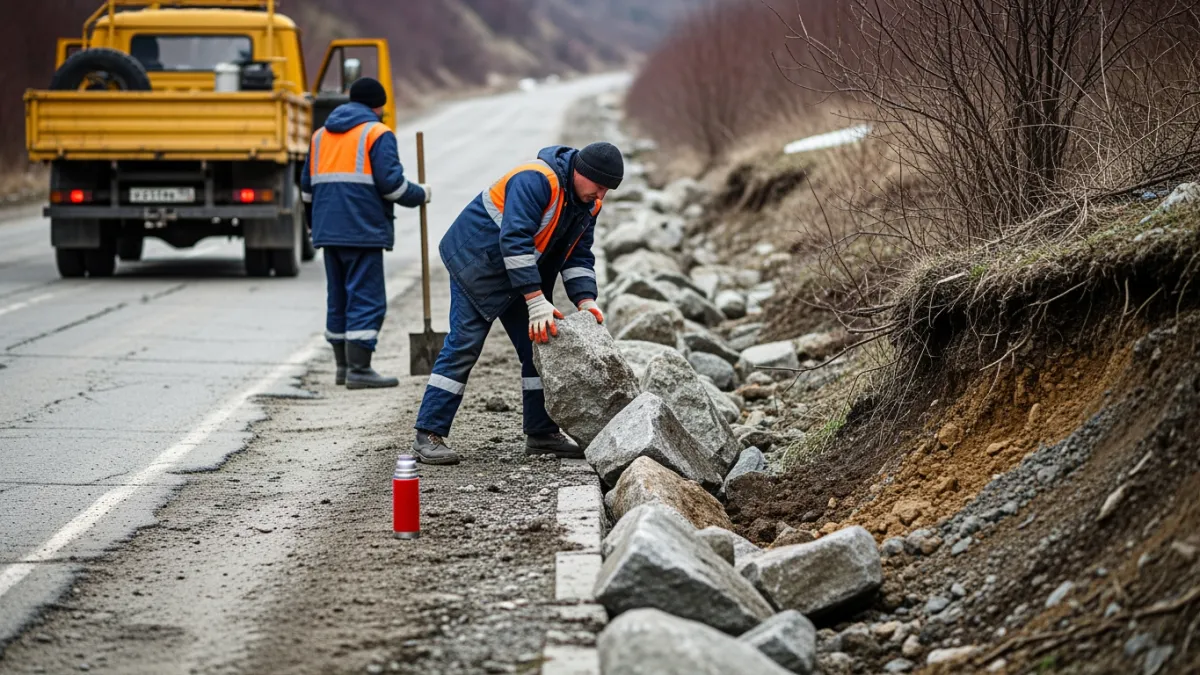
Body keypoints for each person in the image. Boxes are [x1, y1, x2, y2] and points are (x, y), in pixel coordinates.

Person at [410, 142, 623, 465]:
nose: (601, 196)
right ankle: (428, 433)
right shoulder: (534, 179)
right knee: (464, 344)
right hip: (476, 264)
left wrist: (585, 299)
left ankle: (541, 433)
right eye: (600, 187)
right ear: (581, 172)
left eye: (607, 190)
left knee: (540, 343)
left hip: (520, 274)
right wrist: (535, 299)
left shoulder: (587, 205)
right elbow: (515, 240)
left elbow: (578, 256)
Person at [301, 77, 430, 389]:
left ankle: (343, 367)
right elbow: (392, 185)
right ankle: (360, 369)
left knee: (339, 297)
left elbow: (306, 188)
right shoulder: (377, 132)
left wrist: (311, 225)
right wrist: (421, 193)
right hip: (362, 229)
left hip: (327, 231)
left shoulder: (320, 136)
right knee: (367, 298)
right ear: (378, 105)